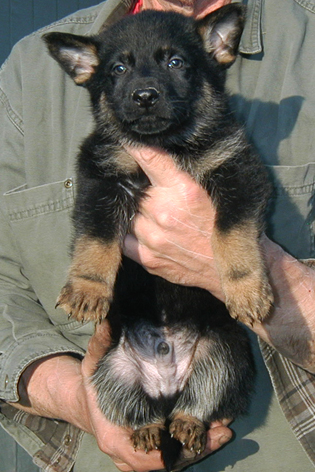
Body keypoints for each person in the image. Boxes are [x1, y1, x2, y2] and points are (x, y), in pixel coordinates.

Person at [0, 0, 314, 471]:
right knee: (118, 370)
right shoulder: (24, 74)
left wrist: (243, 269)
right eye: (121, 70)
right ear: (87, 70)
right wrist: (76, 400)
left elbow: (241, 186)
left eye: (174, 63)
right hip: (127, 363)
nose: (145, 89)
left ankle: (195, 411)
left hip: (276, 444)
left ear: (218, 46)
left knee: (222, 357)